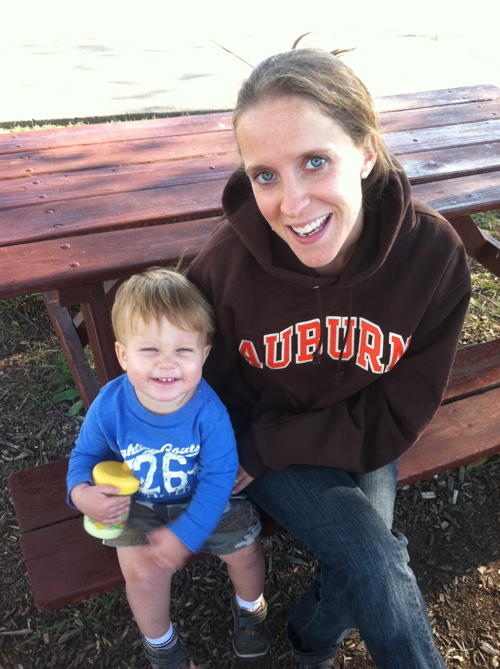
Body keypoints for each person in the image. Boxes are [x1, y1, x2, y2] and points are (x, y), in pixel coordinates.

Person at [188, 48, 471, 668]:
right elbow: (184, 385)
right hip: (262, 440)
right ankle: (313, 646)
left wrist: (273, 446)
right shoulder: (226, 268)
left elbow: (399, 409)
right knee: (375, 558)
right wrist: (251, 449)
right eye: (265, 175)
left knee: (369, 559)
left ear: (366, 152)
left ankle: (311, 638)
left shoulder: (432, 258)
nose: (292, 204)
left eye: (315, 161)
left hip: (362, 425)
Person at [67, 267, 268, 669]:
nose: (166, 364)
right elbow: (84, 456)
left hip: (203, 499)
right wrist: (81, 494)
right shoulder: (110, 405)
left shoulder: (209, 413)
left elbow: (218, 480)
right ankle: (160, 643)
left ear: (204, 354)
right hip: (138, 502)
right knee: (140, 572)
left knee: (246, 551)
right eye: (149, 349)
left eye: (182, 350)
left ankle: (251, 610)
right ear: (123, 355)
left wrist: (187, 532)